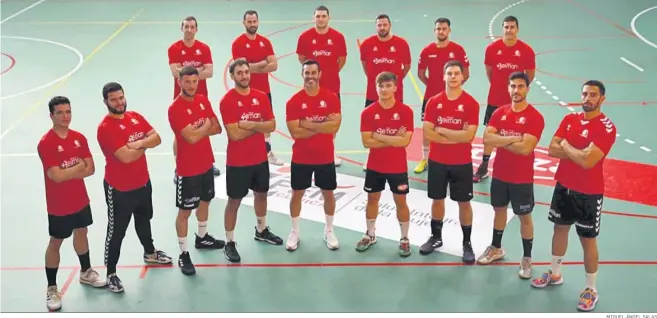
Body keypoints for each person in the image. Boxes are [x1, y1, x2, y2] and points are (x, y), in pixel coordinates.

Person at [531, 80, 616, 312]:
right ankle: (555, 273)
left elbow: (588, 161)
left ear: (602, 99)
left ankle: (590, 289)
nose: (588, 98)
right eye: (585, 94)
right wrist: (576, 151)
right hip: (564, 186)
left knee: (587, 240)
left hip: (589, 192)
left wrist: (566, 146)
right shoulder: (569, 119)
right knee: (559, 228)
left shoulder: (606, 127)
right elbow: (551, 149)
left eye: (593, 95)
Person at [96, 82, 173, 293]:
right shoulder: (106, 128)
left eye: (121, 97)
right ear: (105, 102)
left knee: (144, 219)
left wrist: (138, 144)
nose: (119, 102)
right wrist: (144, 144)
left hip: (143, 183)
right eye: (113, 99)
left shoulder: (135, 117)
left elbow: (157, 138)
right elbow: (125, 157)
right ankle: (111, 272)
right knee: (116, 232)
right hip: (119, 189)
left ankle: (150, 253)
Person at [37, 96, 106, 311]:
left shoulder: (79, 138)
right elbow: (56, 176)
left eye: (68, 111)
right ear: (51, 115)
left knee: (82, 232)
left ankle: (86, 272)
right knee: (56, 242)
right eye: (60, 112)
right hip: (58, 204)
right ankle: (51, 288)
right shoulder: (46, 143)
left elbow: (91, 168)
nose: (65, 116)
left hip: (80, 199)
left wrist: (69, 171)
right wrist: (77, 168)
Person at [478, 72, 545, 279]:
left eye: (520, 86)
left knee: (525, 217)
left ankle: (526, 258)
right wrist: (515, 137)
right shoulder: (499, 113)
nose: (516, 90)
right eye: (513, 86)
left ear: (527, 89)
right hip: (500, 174)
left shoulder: (535, 117)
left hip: (521, 178)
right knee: (499, 211)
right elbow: (487, 139)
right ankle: (496, 248)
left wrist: (502, 139)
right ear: (508, 88)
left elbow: (525, 149)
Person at [219, 59, 284, 263]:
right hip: (237, 162)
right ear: (232, 76)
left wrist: (248, 123)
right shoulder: (227, 101)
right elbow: (235, 134)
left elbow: (272, 125)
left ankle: (261, 230)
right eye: (239, 73)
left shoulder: (261, 97)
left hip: (259, 160)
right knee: (234, 202)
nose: (244, 76)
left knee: (261, 195)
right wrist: (259, 125)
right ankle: (229, 242)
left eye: (246, 72)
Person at [168, 66, 225, 276]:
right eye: (187, 82)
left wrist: (198, 130)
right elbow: (190, 138)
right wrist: (205, 127)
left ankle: (202, 237)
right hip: (188, 169)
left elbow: (217, 128)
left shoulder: (203, 99)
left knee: (205, 201)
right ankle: (183, 253)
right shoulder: (175, 108)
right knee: (184, 212)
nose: (191, 85)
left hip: (206, 164)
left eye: (194, 82)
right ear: (179, 82)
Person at [419, 60, 478, 263]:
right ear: (443, 77)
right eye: (449, 73)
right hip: (437, 161)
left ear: (462, 77)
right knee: (437, 200)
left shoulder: (471, 103)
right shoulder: (434, 102)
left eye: (456, 73)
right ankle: (436, 237)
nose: (453, 77)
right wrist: (455, 134)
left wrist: (442, 130)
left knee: (464, 203)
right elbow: (428, 132)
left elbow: (468, 136)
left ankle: (467, 244)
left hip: (461, 162)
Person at [284, 60, 342, 251]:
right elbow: (296, 133)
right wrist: (322, 125)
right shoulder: (293, 102)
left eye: (313, 72)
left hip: (325, 156)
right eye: (307, 73)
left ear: (320, 74)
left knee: (328, 194)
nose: (310, 76)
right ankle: (294, 231)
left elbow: (334, 127)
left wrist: (306, 124)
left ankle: (329, 230)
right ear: (302, 75)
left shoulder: (331, 98)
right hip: (301, 157)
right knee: (297, 194)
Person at [358, 71, 414, 256]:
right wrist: (392, 137)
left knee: (401, 202)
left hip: (397, 167)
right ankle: (370, 234)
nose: (384, 89)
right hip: (375, 166)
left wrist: (378, 135)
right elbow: (367, 142)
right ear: (376, 88)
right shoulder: (368, 112)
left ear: (395, 87)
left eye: (388, 85)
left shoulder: (406, 112)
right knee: (372, 199)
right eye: (380, 86)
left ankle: (405, 238)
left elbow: (404, 142)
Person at [474, 15, 536, 183]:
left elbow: (530, 75)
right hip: (495, 99)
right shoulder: (492, 49)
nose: (509, 30)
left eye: (512, 27)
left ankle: (513, 166)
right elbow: (490, 71)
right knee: (489, 133)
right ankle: (484, 165)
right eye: (506, 27)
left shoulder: (527, 50)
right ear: (502, 29)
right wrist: (498, 86)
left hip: (515, 103)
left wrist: (517, 91)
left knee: (516, 134)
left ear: (517, 29)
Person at [414, 17, 470, 174]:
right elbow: (420, 73)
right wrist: (433, 87)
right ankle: (425, 158)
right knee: (427, 128)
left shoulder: (458, 50)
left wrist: (453, 88)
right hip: (430, 98)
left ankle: (451, 157)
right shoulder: (427, 51)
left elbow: (466, 73)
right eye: (438, 29)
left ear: (449, 30)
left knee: (451, 126)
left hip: (453, 99)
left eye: (444, 28)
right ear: (434, 31)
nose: (441, 31)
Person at [167, 16, 221, 180]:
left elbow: (210, 72)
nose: (189, 30)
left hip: (201, 97)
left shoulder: (204, 48)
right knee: (180, 135)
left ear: (196, 29)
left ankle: (207, 164)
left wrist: (187, 73)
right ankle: (178, 168)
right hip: (181, 98)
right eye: (186, 27)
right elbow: (175, 72)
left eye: (192, 27)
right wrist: (198, 72)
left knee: (204, 129)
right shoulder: (174, 48)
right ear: (181, 28)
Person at [296, 5, 347, 167]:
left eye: (323, 16)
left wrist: (329, 73)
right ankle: (310, 149)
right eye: (318, 16)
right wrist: (313, 76)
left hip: (332, 86)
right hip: (311, 87)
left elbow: (341, 60)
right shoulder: (305, 37)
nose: (321, 19)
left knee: (332, 119)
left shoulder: (338, 37)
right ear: (314, 18)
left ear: (328, 18)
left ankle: (331, 150)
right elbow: (302, 58)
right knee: (311, 117)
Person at [359, 14, 411, 170]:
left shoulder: (401, 44)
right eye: (379, 25)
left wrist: (394, 83)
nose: (382, 28)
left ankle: (396, 158)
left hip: (396, 96)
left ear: (390, 25)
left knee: (396, 127)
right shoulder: (367, 44)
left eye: (385, 25)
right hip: (373, 94)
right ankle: (371, 158)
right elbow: (365, 65)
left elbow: (406, 67)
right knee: (373, 126)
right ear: (376, 27)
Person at [231, 10, 283, 166]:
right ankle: (246, 154)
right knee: (246, 123)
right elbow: (240, 69)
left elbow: (274, 65)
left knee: (266, 123)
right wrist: (262, 63)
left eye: (254, 22)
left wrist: (252, 67)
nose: (252, 24)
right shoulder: (238, 43)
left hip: (264, 91)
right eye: (249, 22)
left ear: (258, 22)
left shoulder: (265, 42)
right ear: (244, 23)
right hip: (244, 93)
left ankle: (267, 152)